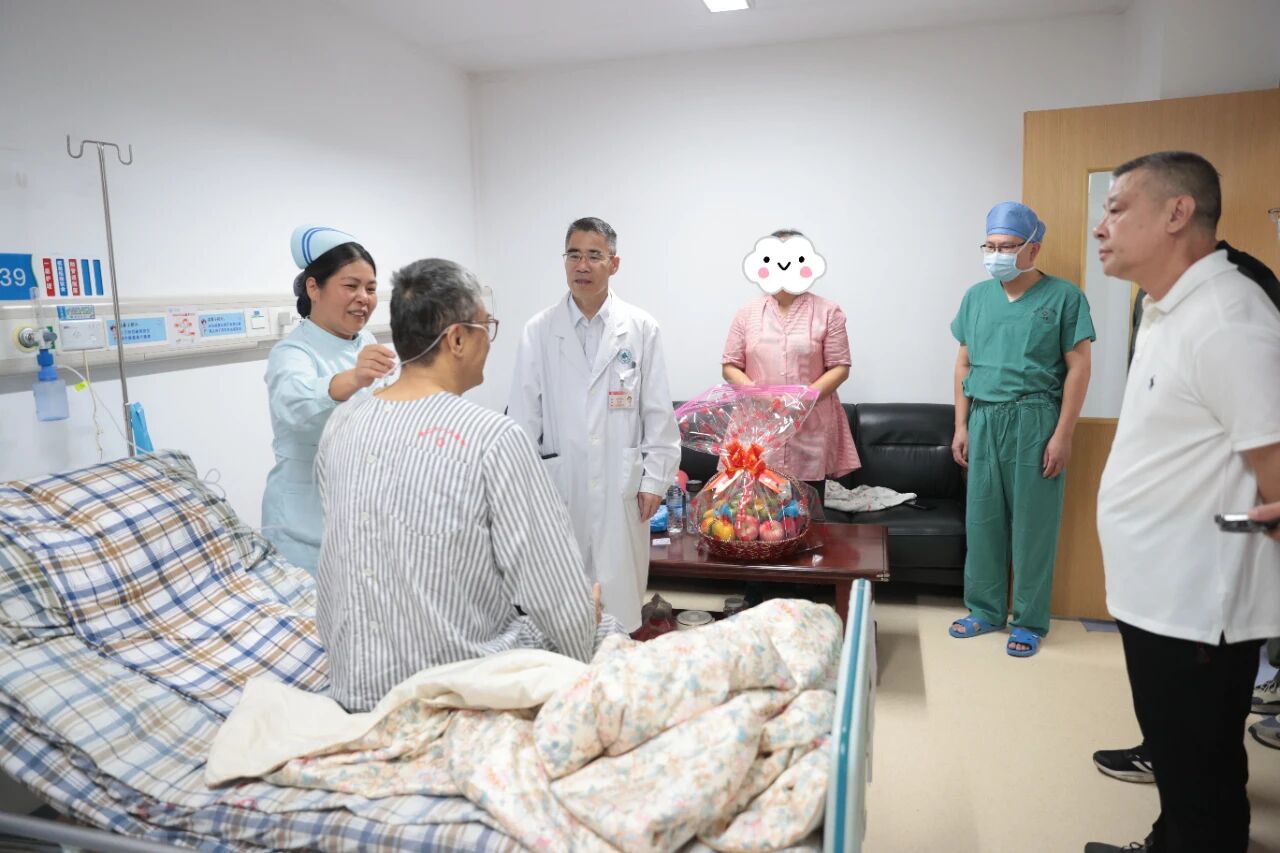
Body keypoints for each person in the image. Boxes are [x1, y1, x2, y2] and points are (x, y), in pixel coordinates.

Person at [314, 258, 621, 712]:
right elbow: (555, 596)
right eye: (485, 328)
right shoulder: (491, 437)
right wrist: (585, 628)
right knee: (601, 626)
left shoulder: (342, 424)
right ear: (457, 339)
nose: (488, 343)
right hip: (454, 690)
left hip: (357, 689)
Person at [1086, 151, 1280, 853]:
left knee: (1200, 770)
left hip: (1198, 603)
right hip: (1157, 592)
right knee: (1180, 755)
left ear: (1177, 212)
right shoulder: (1167, 307)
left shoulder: (1228, 317)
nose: (1101, 226)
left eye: (1116, 208)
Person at [507, 217, 680, 632]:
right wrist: (521, 490)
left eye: (594, 256)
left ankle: (617, 657)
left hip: (622, 488)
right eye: (573, 255)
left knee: (619, 607)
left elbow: (657, 411)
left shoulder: (640, 328)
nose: (582, 265)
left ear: (613, 264)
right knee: (564, 608)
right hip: (559, 487)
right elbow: (523, 417)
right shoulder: (539, 330)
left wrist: (655, 481)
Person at [948, 202, 1095, 656]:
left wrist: (1063, 433)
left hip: (1035, 418)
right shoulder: (976, 297)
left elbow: (1079, 367)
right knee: (982, 519)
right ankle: (984, 610)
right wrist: (960, 425)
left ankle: (1029, 620)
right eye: (990, 246)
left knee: (1034, 523)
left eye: (1007, 246)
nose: (997, 255)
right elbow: (963, 363)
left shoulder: (1064, 297)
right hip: (983, 416)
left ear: (1033, 248)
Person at [262, 225, 394, 572]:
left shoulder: (366, 341)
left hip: (358, 517)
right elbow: (295, 407)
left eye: (371, 289)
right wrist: (354, 378)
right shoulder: (292, 352)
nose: (363, 298)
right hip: (305, 528)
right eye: (351, 286)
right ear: (313, 288)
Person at [722, 229, 860, 500]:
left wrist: (801, 400)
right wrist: (762, 397)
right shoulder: (747, 313)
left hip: (809, 422)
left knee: (806, 508)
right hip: (758, 424)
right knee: (755, 512)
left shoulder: (828, 312)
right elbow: (730, 366)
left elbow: (840, 366)